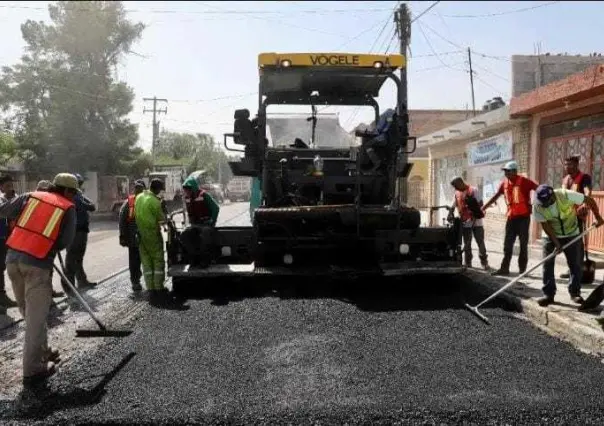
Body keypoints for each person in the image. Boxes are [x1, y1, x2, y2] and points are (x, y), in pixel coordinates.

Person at [0, 173, 77, 387]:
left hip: (12, 260)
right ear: (68, 191)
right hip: (37, 266)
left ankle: (43, 353)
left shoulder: (30, 196)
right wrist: (46, 246)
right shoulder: (67, 207)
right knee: (35, 318)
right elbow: (65, 241)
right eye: (73, 192)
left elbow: (3, 211)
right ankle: (33, 371)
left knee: (30, 316)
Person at [532, 185, 604, 307]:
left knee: (575, 264)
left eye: (546, 202)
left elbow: (589, 200)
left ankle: (575, 293)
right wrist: (557, 243)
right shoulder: (537, 205)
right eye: (542, 202)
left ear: (553, 196)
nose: (544, 204)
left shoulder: (565, 194)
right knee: (547, 263)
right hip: (551, 235)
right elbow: (545, 225)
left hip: (572, 233)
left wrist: (598, 217)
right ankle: (548, 295)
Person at [482, 160, 538, 276]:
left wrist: (538, 204)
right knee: (507, 245)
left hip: (523, 218)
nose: (506, 173)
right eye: (505, 171)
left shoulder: (524, 182)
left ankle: (522, 270)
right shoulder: (504, 183)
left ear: (515, 171)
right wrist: (484, 207)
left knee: (523, 245)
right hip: (511, 218)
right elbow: (496, 196)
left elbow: (538, 189)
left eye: (508, 171)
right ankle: (504, 268)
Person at [135, 178, 172, 305]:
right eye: (160, 190)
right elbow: (162, 220)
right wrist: (165, 213)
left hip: (140, 234)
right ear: (157, 189)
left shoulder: (139, 197)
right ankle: (159, 288)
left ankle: (150, 289)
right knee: (157, 260)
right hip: (152, 235)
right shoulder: (155, 202)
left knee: (146, 262)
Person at [560, 155, 592, 279]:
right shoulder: (565, 179)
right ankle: (571, 268)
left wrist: (585, 202)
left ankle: (577, 269)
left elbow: (587, 191)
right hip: (567, 216)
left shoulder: (584, 177)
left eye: (570, 164)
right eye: (566, 164)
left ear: (576, 165)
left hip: (578, 215)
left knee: (577, 243)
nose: (568, 167)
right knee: (568, 244)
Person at [63, 173, 97, 290]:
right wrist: (88, 204)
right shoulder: (72, 196)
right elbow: (89, 206)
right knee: (71, 259)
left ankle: (82, 281)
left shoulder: (79, 194)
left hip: (82, 230)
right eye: (78, 183)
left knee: (79, 258)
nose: (79, 186)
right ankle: (69, 287)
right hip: (74, 231)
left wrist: (88, 204)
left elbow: (92, 206)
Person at [179, 175, 220, 267]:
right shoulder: (187, 198)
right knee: (184, 235)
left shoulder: (204, 195)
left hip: (206, 224)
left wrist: (212, 221)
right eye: (185, 189)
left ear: (193, 188)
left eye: (188, 189)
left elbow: (216, 208)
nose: (186, 191)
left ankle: (205, 259)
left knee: (205, 234)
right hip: (195, 225)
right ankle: (194, 257)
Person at [449, 176, 489, 270]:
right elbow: (453, 205)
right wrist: (450, 212)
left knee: (480, 242)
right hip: (465, 223)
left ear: (460, 182)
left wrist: (475, 212)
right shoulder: (457, 193)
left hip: (477, 222)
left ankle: (484, 262)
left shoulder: (473, 190)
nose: (455, 188)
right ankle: (468, 263)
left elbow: (481, 203)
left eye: (455, 185)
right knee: (467, 244)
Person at [119, 180, 145, 292]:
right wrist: (122, 236)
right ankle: (135, 281)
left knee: (146, 260)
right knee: (134, 261)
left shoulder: (147, 200)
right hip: (133, 238)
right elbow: (122, 220)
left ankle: (150, 282)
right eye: (136, 188)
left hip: (145, 237)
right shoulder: (128, 202)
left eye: (140, 188)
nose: (138, 190)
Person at [0, 174, 17, 308]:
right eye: (7, 186)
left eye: (11, 186)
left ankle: (2, 297)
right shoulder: (1, 201)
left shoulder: (15, 199)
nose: (10, 188)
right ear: (1, 187)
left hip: (8, 239)